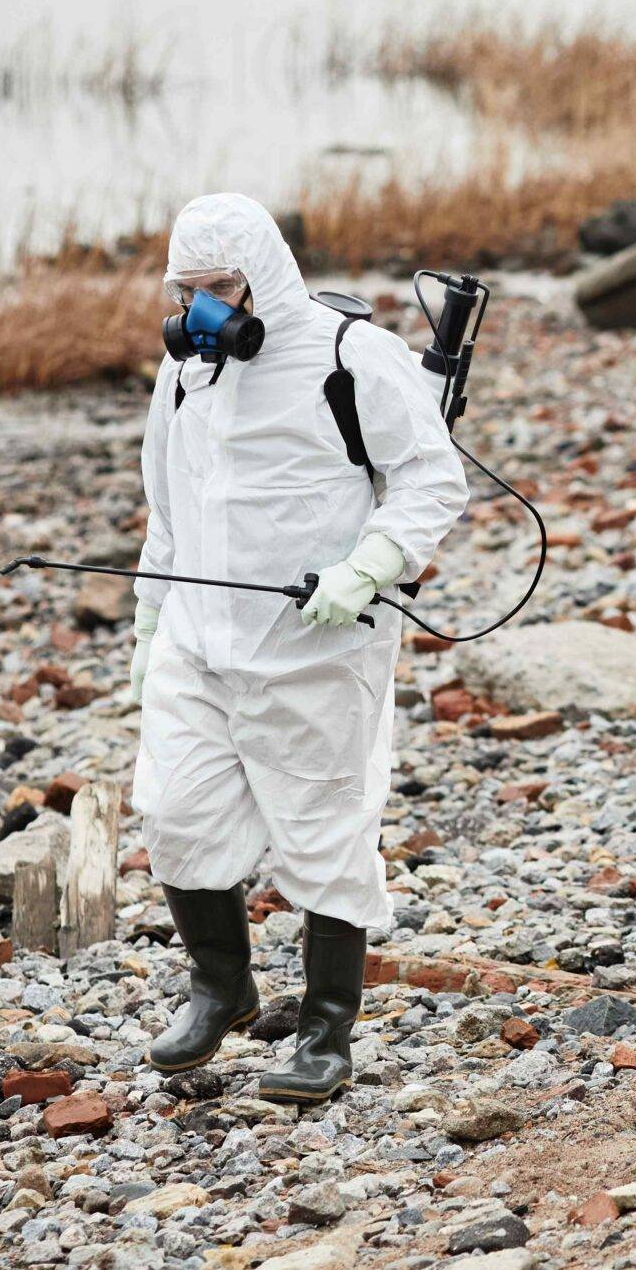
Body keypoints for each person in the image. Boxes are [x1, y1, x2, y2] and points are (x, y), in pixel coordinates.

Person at [129, 193, 468, 1102]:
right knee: (175, 814)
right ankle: (221, 985)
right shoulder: (183, 375)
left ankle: (324, 1032)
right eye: (187, 287)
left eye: (221, 286)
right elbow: (170, 504)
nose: (203, 306)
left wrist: (369, 566)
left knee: (326, 833)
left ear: (265, 276)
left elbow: (433, 476)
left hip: (319, 641)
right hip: (199, 638)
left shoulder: (350, 355)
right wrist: (151, 618)